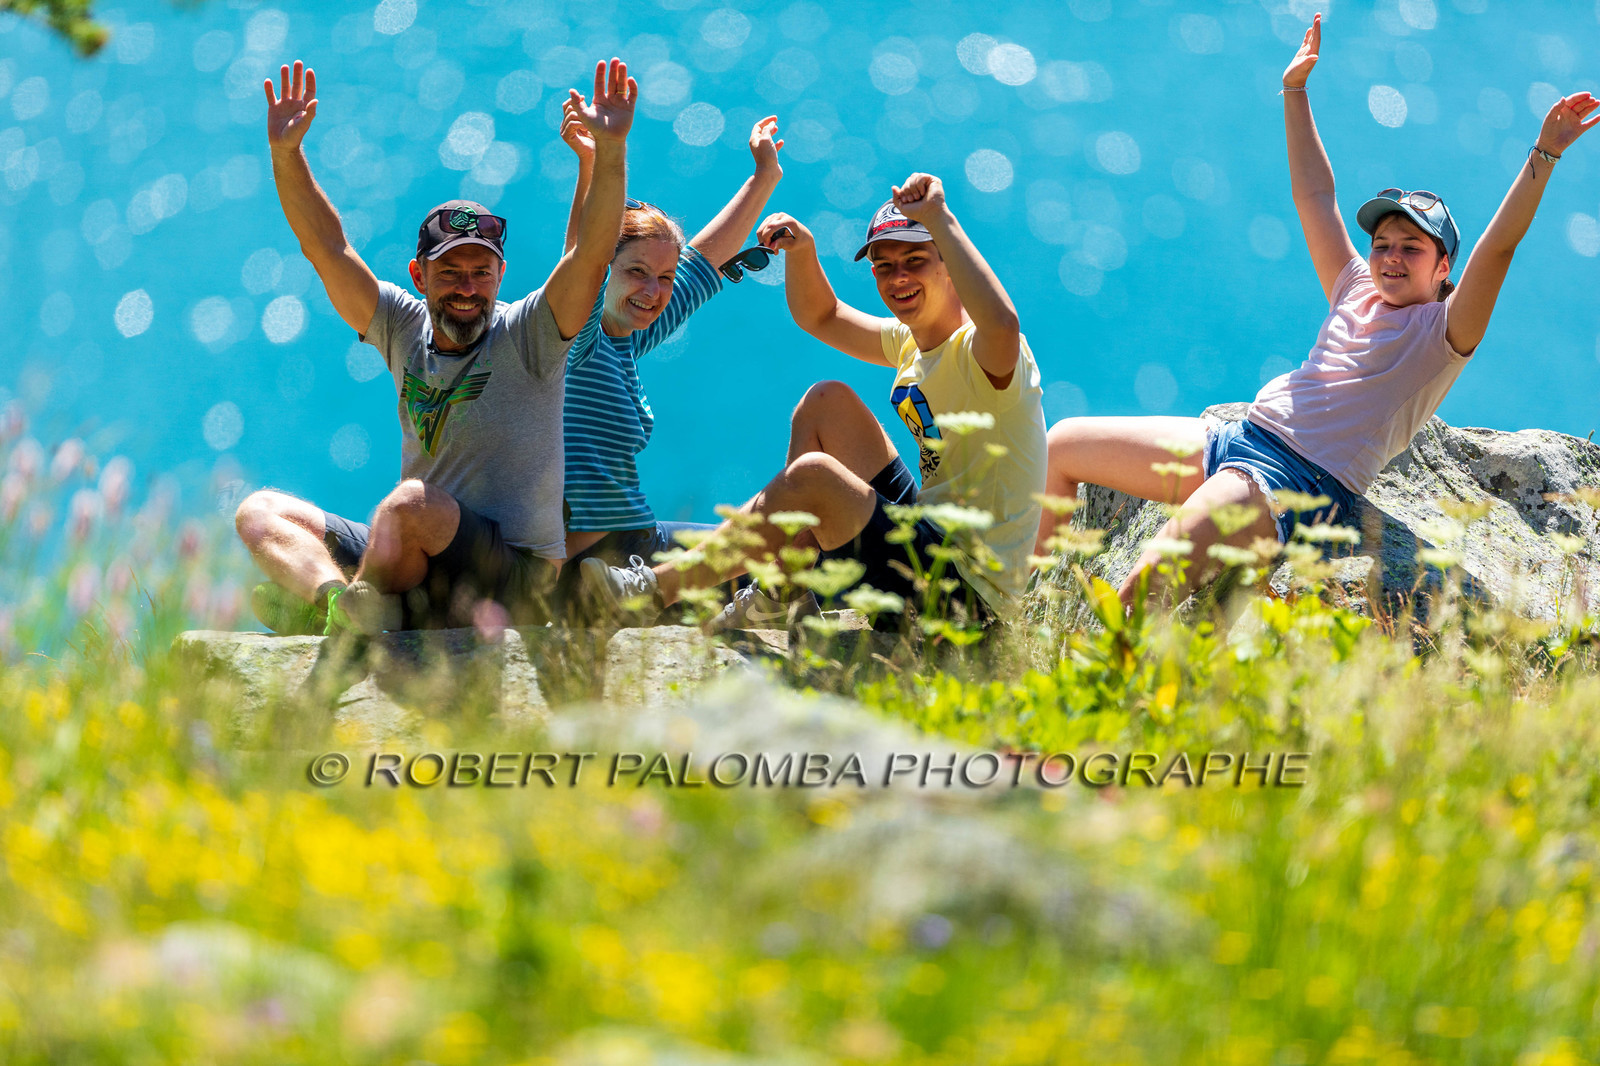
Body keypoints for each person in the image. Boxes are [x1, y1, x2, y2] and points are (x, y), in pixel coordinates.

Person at [1033, 13, 1599, 607]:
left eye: (1412, 248)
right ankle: (1029, 617)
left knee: (1140, 590)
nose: (1390, 257)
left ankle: (1105, 677)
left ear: (1443, 273)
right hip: (1237, 438)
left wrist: (1544, 153)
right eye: (1382, 243)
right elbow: (1315, 195)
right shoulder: (1354, 284)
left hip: (1291, 482)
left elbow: (1499, 246)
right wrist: (1295, 91)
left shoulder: (1444, 332)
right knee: (1063, 443)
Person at [234, 59, 636, 636]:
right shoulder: (401, 324)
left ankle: (367, 613)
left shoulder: (531, 335)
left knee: (410, 506)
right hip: (417, 555)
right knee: (260, 512)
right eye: (450, 272)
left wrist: (609, 151)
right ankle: (342, 607)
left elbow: (591, 255)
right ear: (419, 276)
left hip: (513, 575)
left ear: (501, 276)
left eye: (481, 271)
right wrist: (286, 154)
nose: (468, 287)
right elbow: (326, 247)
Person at [580, 173, 1048, 632]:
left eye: (915, 260)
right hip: (929, 532)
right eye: (884, 266)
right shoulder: (913, 340)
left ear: (948, 263)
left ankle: (650, 592)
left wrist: (940, 217)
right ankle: (785, 592)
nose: (898, 277)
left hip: (964, 595)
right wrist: (802, 252)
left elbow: (1003, 324)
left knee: (813, 478)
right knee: (826, 402)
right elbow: (823, 315)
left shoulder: (984, 354)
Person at [551, 105, 785, 613]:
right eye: (637, 272)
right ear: (603, 271)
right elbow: (581, 256)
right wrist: (598, 161)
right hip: (597, 561)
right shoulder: (575, 339)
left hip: (636, 544)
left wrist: (764, 177)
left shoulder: (624, 338)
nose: (654, 291)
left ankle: (752, 605)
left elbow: (707, 260)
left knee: (782, 541)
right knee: (777, 543)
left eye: (664, 276)